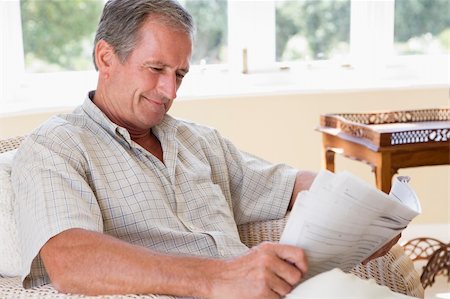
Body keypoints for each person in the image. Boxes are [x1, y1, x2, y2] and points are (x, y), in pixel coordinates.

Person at [11, 0, 397, 298]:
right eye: (156, 69)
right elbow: (71, 260)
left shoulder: (198, 141)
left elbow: (292, 184)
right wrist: (220, 278)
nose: (171, 91)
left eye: (180, 74)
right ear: (106, 58)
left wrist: (364, 212)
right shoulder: (56, 145)